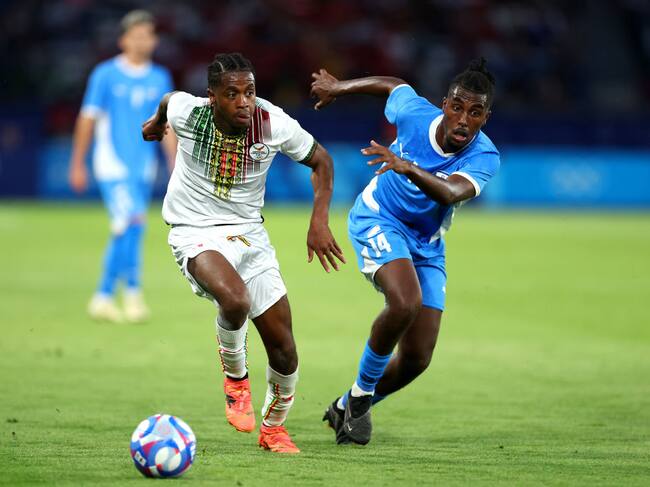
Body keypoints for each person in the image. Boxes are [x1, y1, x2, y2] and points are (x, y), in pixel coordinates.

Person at [142, 52, 345, 453]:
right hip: (194, 230)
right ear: (212, 97)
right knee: (235, 299)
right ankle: (236, 381)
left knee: (285, 352)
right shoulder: (189, 113)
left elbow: (321, 160)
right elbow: (169, 100)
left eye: (249, 92)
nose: (243, 102)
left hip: (250, 236)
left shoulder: (273, 123)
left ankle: (273, 430)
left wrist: (319, 221)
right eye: (232, 94)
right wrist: (157, 121)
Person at [311, 58, 500, 445]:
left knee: (417, 358)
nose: (463, 120)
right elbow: (393, 85)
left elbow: (451, 192)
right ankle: (362, 399)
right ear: (444, 105)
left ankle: (346, 404)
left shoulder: (484, 156)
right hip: (379, 218)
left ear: (486, 118)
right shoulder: (416, 115)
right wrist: (340, 88)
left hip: (426, 244)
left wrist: (407, 167)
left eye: (475, 112)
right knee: (404, 302)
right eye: (457, 107)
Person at [68, 10, 176, 323]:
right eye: (137, 35)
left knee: (130, 227)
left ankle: (104, 296)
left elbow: (166, 125)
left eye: (148, 35)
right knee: (131, 221)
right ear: (123, 40)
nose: (143, 41)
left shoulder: (160, 78)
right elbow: (87, 119)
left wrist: (174, 163)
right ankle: (131, 294)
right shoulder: (105, 74)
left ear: (155, 41)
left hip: (143, 167)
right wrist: (77, 163)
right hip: (113, 165)